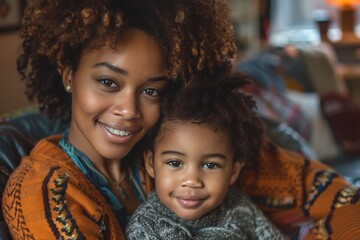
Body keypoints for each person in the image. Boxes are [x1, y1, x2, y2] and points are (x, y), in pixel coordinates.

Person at [1, 0, 237, 239]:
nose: (129, 110)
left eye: (151, 91)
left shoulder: (168, 150)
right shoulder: (44, 198)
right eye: (108, 82)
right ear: (69, 74)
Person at [126, 71, 285, 239]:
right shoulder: (144, 228)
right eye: (175, 163)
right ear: (151, 163)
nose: (192, 181)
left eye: (210, 165)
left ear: (233, 171)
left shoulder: (239, 206)